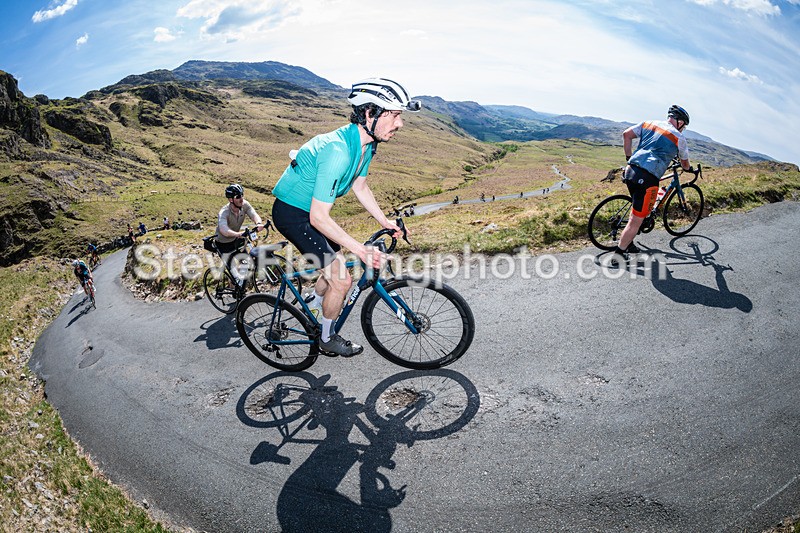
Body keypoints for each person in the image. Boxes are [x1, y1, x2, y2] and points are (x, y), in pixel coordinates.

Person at [271, 77, 419, 357]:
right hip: (293, 215)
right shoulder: (338, 151)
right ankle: (327, 338)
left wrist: (385, 221)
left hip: (312, 213)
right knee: (342, 280)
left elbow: (360, 186)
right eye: (394, 115)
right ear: (370, 113)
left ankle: (315, 304)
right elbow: (319, 218)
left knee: (334, 265)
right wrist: (361, 250)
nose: (399, 124)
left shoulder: (366, 145)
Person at [615, 105, 693, 258]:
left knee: (637, 207)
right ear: (680, 122)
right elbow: (685, 164)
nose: (683, 128)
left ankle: (628, 243)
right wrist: (690, 169)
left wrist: (629, 158)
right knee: (636, 220)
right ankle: (619, 254)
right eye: (684, 125)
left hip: (630, 170)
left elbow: (626, 135)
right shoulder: (679, 138)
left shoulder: (648, 123)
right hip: (647, 178)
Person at [215, 184, 265, 279]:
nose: (241, 199)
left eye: (242, 195)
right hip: (223, 245)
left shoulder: (244, 204)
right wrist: (238, 234)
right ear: (231, 199)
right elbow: (224, 229)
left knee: (247, 263)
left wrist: (258, 223)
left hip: (236, 241)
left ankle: (243, 284)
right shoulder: (224, 212)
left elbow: (253, 214)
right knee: (233, 273)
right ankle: (234, 285)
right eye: (238, 197)